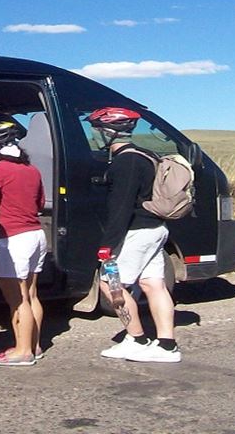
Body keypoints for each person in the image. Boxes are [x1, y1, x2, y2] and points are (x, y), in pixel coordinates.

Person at [87, 107, 181, 363]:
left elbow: (121, 207)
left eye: (96, 130)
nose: (94, 135)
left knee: (110, 285)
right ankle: (167, 345)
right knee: (153, 285)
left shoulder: (125, 162)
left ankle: (136, 338)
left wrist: (107, 245)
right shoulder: (145, 155)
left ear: (108, 132)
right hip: (155, 229)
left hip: (136, 232)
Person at [0, 120, 47, 367]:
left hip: (12, 237)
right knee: (31, 294)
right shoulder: (31, 170)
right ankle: (34, 345)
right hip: (35, 234)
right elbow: (39, 204)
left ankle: (23, 351)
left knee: (17, 300)